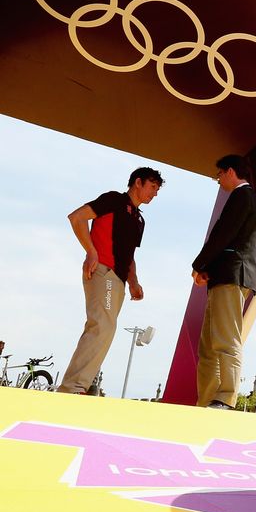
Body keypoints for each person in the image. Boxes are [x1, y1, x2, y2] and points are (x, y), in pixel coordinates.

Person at [58, 167, 163, 394]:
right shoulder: (114, 200)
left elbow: (130, 255)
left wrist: (134, 282)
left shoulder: (138, 219)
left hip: (119, 281)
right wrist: (91, 252)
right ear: (138, 182)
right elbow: (76, 218)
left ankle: (78, 385)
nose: (155, 194)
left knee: (105, 329)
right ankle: (73, 387)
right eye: (152, 187)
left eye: (157, 190)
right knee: (102, 327)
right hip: (103, 272)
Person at [191, 155, 256, 409]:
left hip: (233, 276)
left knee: (226, 339)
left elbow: (223, 235)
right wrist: (207, 269)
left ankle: (226, 397)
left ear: (231, 172)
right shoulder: (241, 197)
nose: (218, 179)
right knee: (208, 346)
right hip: (222, 277)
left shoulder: (243, 196)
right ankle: (207, 399)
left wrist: (199, 264)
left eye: (219, 174)